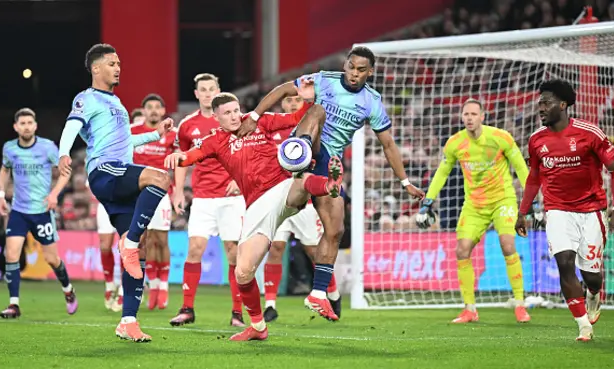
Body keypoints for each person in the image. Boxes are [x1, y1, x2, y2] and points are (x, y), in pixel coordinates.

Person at [237, 46, 424, 320]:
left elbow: (388, 144)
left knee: (335, 229)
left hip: (329, 164)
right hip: (311, 144)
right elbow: (284, 90)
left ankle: (318, 294)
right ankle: (297, 152)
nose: (354, 73)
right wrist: (254, 116)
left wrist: (405, 181)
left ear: (370, 72)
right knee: (316, 111)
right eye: (351, 67)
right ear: (346, 65)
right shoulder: (324, 80)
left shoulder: (372, 102)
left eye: (361, 70)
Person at [165, 93, 342, 341]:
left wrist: (310, 97)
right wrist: (178, 157)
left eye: (236, 110)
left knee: (300, 180)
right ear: (216, 117)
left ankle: (329, 185)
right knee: (243, 272)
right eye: (227, 113)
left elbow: (296, 117)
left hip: (282, 188)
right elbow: (191, 156)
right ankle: (258, 327)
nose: (235, 116)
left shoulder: (260, 121)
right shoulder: (215, 140)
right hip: (257, 206)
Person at [50, 43, 173, 342]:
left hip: (119, 173)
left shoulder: (116, 104)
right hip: (105, 170)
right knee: (159, 177)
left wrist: (156, 135)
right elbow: (71, 125)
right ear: (96, 68)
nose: (118, 68)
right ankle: (128, 243)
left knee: (140, 246)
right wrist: (64, 153)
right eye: (112, 63)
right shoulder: (87, 98)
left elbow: (125, 140)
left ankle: (128, 321)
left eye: (119, 63)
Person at [516, 79, 614, 342]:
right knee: (564, 263)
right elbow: (534, 177)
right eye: (539, 102)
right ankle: (583, 326)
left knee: (591, 276)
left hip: (592, 210)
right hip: (557, 210)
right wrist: (523, 211)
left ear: (563, 105)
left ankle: (594, 293)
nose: (540, 107)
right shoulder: (536, 140)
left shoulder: (590, 133)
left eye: (546, 102)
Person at [417, 99, 531, 324]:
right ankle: (470, 309)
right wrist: (427, 202)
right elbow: (441, 173)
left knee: (507, 245)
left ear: (482, 117)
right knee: (462, 250)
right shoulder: (454, 143)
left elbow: (520, 167)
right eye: (465, 114)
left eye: (473, 114)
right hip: (474, 205)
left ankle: (520, 304)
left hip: (502, 200)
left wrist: (532, 202)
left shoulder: (500, 138)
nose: (469, 118)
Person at [169, 73, 246, 328]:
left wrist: (241, 179)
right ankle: (187, 308)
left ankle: (237, 313)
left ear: (218, 90)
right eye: (202, 90)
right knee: (194, 249)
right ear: (196, 94)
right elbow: (181, 159)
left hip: (231, 198)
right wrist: (179, 191)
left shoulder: (234, 120)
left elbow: (248, 152)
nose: (207, 93)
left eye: (211, 88)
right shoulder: (188, 125)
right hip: (202, 197)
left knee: (233, 253)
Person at [263, 94, 340, 322]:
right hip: (278, 200)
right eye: (288, 100)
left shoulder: (311, 127)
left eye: (297, 99)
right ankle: (270, 305)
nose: (293, 102)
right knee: (275, 248)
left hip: (304, 201)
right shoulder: (271, 126)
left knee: (314, 252)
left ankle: (332, 294)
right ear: (282, 104)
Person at [0, 108, 77, 319]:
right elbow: (5, 169)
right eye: (22, 123)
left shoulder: (47, 148)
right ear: (16, 127)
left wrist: (54, 195)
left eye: (29, 122)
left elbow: (65, 171)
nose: (26, 126)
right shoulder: (10, 149)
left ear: (35, 126)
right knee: (11, 254)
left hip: (42, 211)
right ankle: (14, 304)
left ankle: (68, 289)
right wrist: (1, 195)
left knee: (52, 259)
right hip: (19, 211)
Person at [132, 94, 176, 310]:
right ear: (144, 111)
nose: (153, 111)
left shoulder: (171, 135)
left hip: (161, 193)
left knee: (161, 240)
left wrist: (176, 192)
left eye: (158, 107)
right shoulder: (133, 132)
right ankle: (151, 284)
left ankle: (163, 286)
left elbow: (179, 163)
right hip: (138, 193)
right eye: (149, 107)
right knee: (142, 241)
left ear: (163, 110)